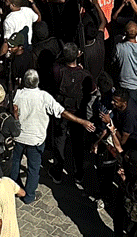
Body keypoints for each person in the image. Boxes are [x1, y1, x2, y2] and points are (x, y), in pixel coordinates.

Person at [9, 69, 96, 204]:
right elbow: (62, 112)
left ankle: (14, 188)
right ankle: (29, 195)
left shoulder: (18, 94)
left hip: (19, 136)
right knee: (33, 168)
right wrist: (81, 121)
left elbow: (13, 109)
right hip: (35, 139)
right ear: (37, 82)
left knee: (15, 163)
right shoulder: (44, 97)